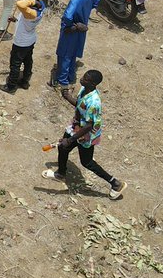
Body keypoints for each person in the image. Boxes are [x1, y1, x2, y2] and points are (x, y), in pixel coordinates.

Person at [43, 70, 127, 200]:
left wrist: (70, 139)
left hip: (86, 133)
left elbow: (89, 125)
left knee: (87, 162)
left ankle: (115, 183)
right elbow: (80, 105)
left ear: (93, 83)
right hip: (77, 126)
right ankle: (60, 173)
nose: (82, 79)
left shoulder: (94, 102)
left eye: (86, 78)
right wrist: (67, 97)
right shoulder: (84, 89)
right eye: (83, 76)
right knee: (63, 147)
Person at [54, 0, 100, 88]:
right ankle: (71, 76)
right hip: (82, 27)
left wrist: (71, 26)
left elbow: (68, 16)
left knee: (64, 54)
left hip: (71, 30)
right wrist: (86, 12)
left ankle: (63, 81)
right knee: (73, 52)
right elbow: (96, 1)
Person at [1, 0, 44, 92]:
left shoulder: (32, 12)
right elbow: (26, 20)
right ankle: (25, 81)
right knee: (28, 60)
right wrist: (16, 20)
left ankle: (11, 86)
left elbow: (20, 4)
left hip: (21, 42)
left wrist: (33, 2)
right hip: (30, 39)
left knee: (15, 64)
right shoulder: (40, 7)